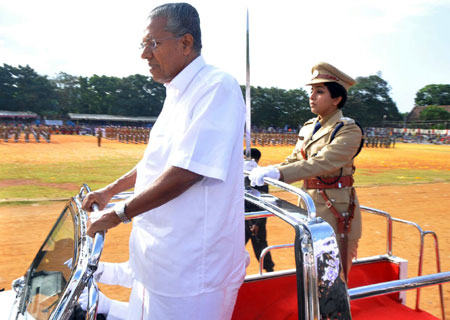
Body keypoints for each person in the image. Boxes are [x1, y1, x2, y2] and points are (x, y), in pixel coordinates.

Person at [82, 3, 246, 319]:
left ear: (186, 43)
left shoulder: (216, 87)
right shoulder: (176, 92)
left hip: (193, 273)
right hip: (158, 260)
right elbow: (155, 162)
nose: (145, 54)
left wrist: (118, 213)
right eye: (143, 45)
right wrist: (110, 191)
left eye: (152, 44)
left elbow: (186, 172)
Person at [248, 62, 363, 281]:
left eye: (319, 91)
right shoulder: (309, 126)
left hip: (336, 215)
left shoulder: (348, 129)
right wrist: (267, 169)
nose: (312, 96)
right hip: (307, 209)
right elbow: (295, 159)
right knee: (309, 275)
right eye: (311, 91)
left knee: (332, 279)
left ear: (337, 99)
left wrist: (278, 174)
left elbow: (322, 163)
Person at [244, 148, 275, 272]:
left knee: (260, 247)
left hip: (257, 218)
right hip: (244, 218)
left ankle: (270, 271)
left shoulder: (260, 177)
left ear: (253, 159)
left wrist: (257, 223)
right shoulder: (243, 173)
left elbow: (264, 203)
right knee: (234, 247)